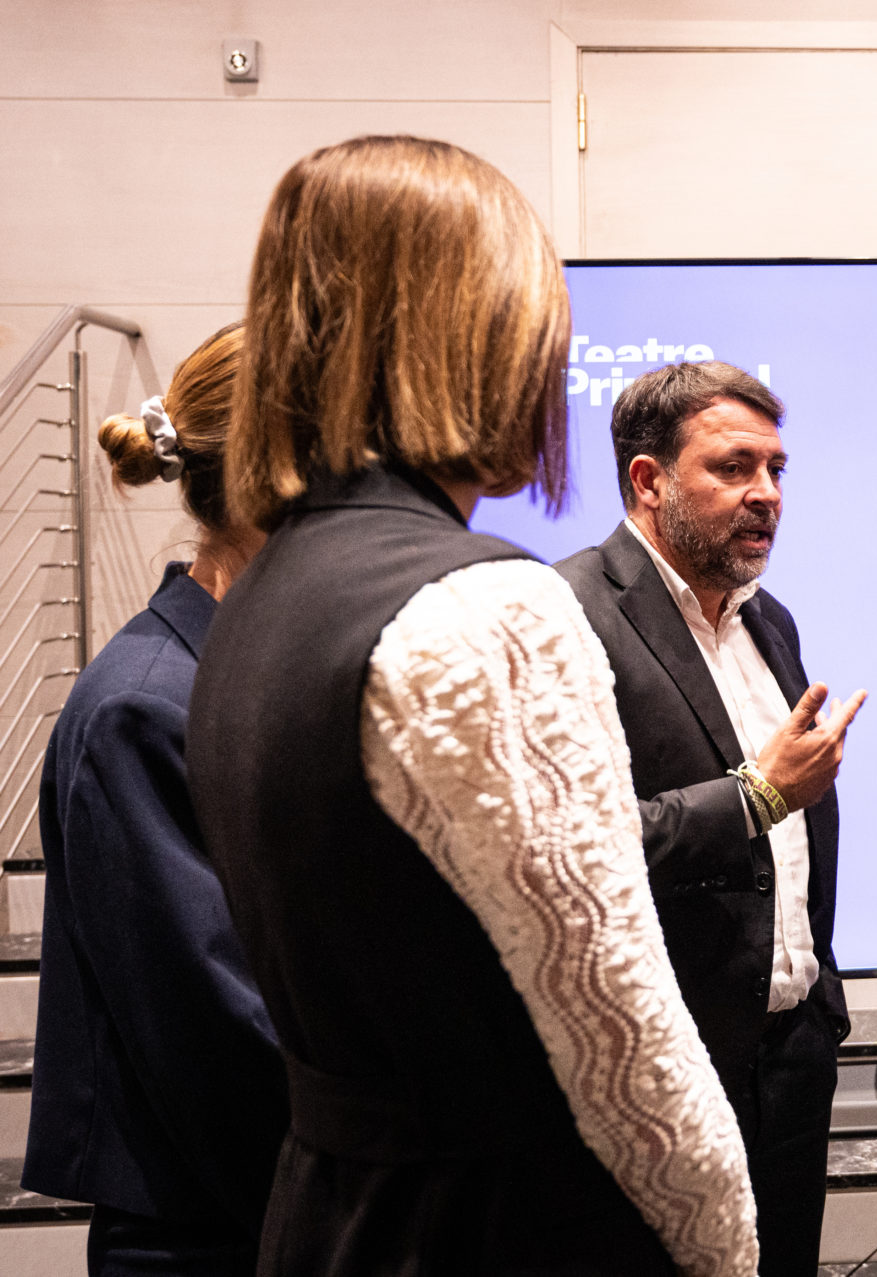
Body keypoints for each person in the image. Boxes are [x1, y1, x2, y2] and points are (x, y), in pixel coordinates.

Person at [183, 135, 755, 1276]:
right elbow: (621, 1041)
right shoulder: (488, 606)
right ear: (481, 335)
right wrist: (726, 1245)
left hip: (335, 1211)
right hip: (506, 1226)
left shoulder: (258, 590)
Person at [555, 360, 863, 1276]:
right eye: (733, 468)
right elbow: (577, 843)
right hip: (663, 1068)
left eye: (776, 469)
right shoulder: (571, 613)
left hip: (791, 1058)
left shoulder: (770, 621)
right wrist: (756, 795)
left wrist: (817, 1013)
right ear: (648, 480)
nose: (766, 493)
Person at [25, 323, 288, 1276]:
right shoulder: (143, 705)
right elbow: (220, 1041)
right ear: (270, 480)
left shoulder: (239, 675)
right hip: (209, 1236)